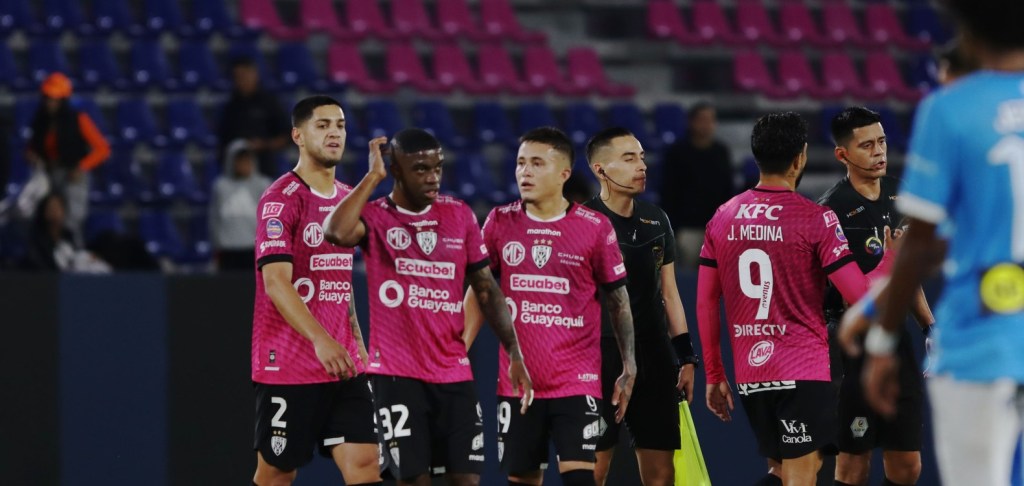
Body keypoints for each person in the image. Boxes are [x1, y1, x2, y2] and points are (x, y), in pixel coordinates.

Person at [849, 1, 1024, 484]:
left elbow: (921, 244)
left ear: (968, 30)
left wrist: (881, 339)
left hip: (979, 342)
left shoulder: (951, 109)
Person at [323, 128, 531, 486]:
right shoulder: (375, 216)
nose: (433, 177)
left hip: (454, 375)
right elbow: (335, 232)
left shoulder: (459, 215)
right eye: (421, 169)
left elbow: (486, 289)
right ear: (396, 171)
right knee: (414, 480)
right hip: (396, 377)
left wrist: (514, 351)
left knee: (466, 480)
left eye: (437, 167)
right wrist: (372, 178)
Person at [697, 112, 891, 486]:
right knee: (802, 476)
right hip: (802, 368)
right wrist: (888, 262)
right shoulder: (815, 218)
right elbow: (858, 296)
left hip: (751, 372)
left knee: (784, 470)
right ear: (800, 157)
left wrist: (715, 374)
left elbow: (706, 302)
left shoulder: (722, 217)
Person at [463, 127, 636, 486]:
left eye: (537, 163)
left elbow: (618, 300)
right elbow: (481, 291)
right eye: (520, 163)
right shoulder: (499, 221)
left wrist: (629, 363)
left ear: (563, 173)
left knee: (581, 478)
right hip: (518, 383)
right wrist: (456, 352)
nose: (524, 172)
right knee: (522, 478)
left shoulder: (594, 227)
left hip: (576, 381)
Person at [250, 95, 380, 486]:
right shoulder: (281, 199)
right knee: (277, 473)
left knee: (366, 464)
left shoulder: (346, 199)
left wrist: (358, 343)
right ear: (298, 136)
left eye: (339, 125)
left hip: (344, 364)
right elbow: (276, 282)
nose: (334, 133)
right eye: (322, 126)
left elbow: (341, 282)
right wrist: (321, 340)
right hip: (290, 365)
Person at [817, 107, 934, 486]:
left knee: (908, 465)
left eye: (881, 141)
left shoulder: (902, 194)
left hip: (896, 341)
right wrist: (890, 261)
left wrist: (929, 326)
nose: (879, 151)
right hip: (850, 347)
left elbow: (906, 277)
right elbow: (850, 297)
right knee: (854, 466)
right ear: (842, 154)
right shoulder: (830, 211)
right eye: (866, 145)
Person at [578, 127, 699, 486]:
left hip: (654, 355)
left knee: (662, 474)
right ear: (600, 169)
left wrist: (686, 357)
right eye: (629, 158)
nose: (641, 166)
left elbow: (670, 294)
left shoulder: (657, 219)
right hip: (600, 355)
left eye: (642, 157)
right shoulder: (581, 223)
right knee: (595, 469)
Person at [26, 72, 110, 237]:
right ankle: (48, 251)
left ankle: (72, 250)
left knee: (72, 220)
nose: (50, 103)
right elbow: (32, 147)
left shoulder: (79, 120)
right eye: (48, 98)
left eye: (55, 99)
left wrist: (81, 167)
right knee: (43, 218)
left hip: (72, 175)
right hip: (48, 175)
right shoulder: (40, 121)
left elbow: (103, 149)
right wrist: (32, 155)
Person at [660, 102, 736, 269]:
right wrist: (673, 229)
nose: (706, 125)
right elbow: (669, 192)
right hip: (687, 228)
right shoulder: (677, 152)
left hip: (716, 229)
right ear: (691, 122)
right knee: (686, 275)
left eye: (711, 120)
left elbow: (728, 191)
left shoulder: (721, 151)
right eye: (702, 119)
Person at [218, 57, 290, 178]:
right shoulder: (230, 106)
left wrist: (264, 145)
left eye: (245, 75)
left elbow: (286, 136)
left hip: (264, 166)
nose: (242, 80)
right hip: (235, 173)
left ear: (255, 74)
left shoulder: (269, 102)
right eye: (237, 77)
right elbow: (223, 140)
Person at [209, 139, 272, 271]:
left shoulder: (264, 185)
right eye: (239, 160)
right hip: (228, 251)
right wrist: (216, 245)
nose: (243, 164)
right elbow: (214, 219)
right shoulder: (220, 187)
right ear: (231, 161)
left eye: (247, 159)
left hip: (255, 249)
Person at [23, 191, 110, 273]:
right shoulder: (37, 237)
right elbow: (39, 265)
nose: (55, 212)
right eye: (51, 208)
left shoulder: (68, 234)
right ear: (44, 211)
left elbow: (76, 257)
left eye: (58, 207)